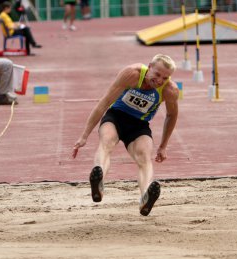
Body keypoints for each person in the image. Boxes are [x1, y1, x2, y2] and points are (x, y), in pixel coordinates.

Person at [72, 54, 179, 216]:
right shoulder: (132, 74)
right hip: (115, 116)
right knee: (107, 142)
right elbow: (105, 102)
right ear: (149, 67)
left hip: (139, 125)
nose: (159, 81)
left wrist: (163, 146)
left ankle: (145, 197)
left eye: (165, 78)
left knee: (144, 156)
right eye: (157, 75)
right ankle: (98, 180)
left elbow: (172, 116)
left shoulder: (170, 90)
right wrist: (84, 135)